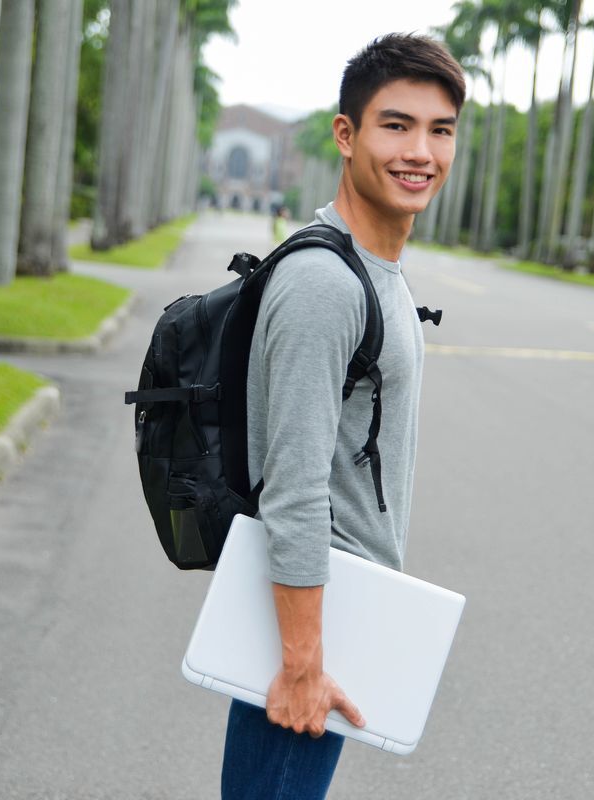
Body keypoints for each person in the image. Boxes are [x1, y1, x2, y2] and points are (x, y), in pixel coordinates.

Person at [221, 34, 465, 800]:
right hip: (308, 634)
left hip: (335, 620)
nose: (420, 150)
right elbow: (292, 487)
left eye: (440, 130)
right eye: (396, 125)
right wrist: (302, 665)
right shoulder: (327, 284)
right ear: (346, 133)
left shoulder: (378, 271)